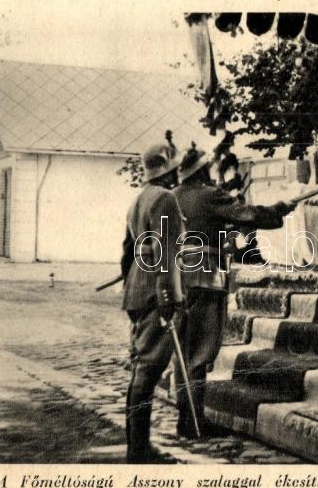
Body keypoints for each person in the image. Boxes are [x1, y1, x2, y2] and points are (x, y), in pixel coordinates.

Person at [173, 146, 295, 438]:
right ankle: (194, 422)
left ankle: (186, 417)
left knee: (183, 350)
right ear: (202, 171)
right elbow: (248, 214)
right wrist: (280, 209)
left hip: (177, 277)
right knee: (200, 351)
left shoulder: (173, 196)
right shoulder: (209, 195)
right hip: (205, 277)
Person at [120, 142, 185, 463]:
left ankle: (137, 444)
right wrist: (167, 295)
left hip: (136, 288)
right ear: (169, 171)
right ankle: (139, 449)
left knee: (141, 367)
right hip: (154, 290)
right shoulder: (165, 199)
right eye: (175, 169)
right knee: (148, 369)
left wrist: (131, 286)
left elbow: (126, 252)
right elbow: (165, 252)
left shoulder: (139, 200)